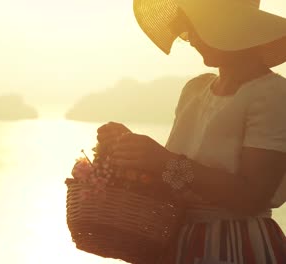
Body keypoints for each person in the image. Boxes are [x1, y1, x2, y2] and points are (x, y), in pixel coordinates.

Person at [97, 0, 286, 263]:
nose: (191, 39)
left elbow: (252, 196)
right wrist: (135, 151)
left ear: (229, 29)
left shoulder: (271, 93)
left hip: (236, 246)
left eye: (197, 27)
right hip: (180, 241)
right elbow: (177, 179)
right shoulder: (195, 90)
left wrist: (162, 160)